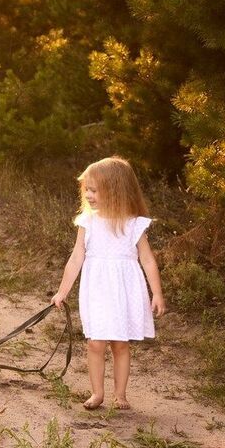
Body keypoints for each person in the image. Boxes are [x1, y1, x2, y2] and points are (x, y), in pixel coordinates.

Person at [51, 156, 165, 410]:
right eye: (86, 190)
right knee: (95, 342)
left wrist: (156, 293)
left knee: (120, 343)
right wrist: (62, 291)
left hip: (125, 291)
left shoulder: (134, 224)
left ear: (114, 190)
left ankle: (121, 395)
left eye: (94, 190)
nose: (88, 195)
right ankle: (97, 393)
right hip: (97, 291)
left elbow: (147, 260)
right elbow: (76, 258)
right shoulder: (87, 221)